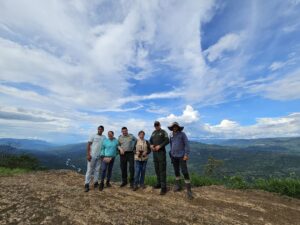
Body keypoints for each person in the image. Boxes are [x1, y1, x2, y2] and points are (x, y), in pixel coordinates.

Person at [168, 122, 193, 199]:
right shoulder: (171, 135)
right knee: (176, 171)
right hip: (174, 156)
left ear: (178, 127)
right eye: (173, 127)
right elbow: (171, 144)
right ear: (172, 128)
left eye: (176, 127)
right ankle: (178, 185)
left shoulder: (182, 134)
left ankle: (189, 190)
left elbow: (187, 144)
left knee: (184, 171)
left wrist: (186, 154)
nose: (174, 128)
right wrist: (171, 153)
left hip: (182, 156)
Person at [150, 121, 169, 195]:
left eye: (157, 125)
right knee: (157, 169)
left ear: (160, 125)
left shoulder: (163, 132)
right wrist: (151, 145)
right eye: (155, 125)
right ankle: (159, 184)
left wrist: (160, 146)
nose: (156, 126)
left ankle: (164, 187)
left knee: (162, 169)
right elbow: (150, 141)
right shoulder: (153, 132)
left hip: (161, 153)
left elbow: (167, 140)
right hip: (155, 153)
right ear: (154, 126)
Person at [84, 125, 106, 192]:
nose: (100, 130)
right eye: (99, 129)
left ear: (103, 130)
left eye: (101, 129)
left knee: (97, 170)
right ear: (97, 129)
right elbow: (88, 145)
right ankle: (86, 184)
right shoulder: (93, 135)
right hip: (92, 155)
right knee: (89, 170)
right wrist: (88, 154)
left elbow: (105, 146)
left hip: (99, 156)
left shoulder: (104, 137)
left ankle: (96, 183)